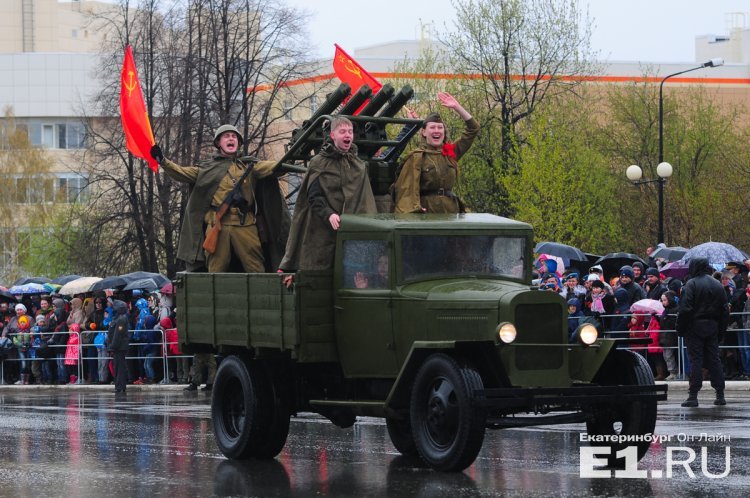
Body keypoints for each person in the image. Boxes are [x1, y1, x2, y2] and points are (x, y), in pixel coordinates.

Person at [151, 124, 290, 272]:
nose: (231, 139)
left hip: (245, 224)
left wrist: (291, 156)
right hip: (218, 224)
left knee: (256, 267)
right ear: (218, 143)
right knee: (215, 270)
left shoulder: (249, 165)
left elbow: (276, 167)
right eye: (226, 136)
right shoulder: (207, 168)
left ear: (239, 142)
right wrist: (163, 161)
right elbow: (182, 173)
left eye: (234, 136)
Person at [279, 116, 377, 273]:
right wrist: (329, 214)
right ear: (333, 135)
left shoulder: (358, 164)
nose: (347, 135)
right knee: (321, 271)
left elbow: (364, 199)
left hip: (351, 230)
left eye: (350, 132)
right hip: (322, 229)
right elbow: (313, 195)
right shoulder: (319, 162)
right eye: (343, 131)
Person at [393, 92, 479, 213]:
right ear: (424, 132)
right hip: (427, 212)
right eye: (432, 127)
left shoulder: (450, 153)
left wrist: (457, 107)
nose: (437, 130)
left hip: (451, 211)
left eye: (440, 127)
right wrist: (414, 209)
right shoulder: (417, 157)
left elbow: (473, 129)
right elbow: (405, 189)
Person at [676, 257, 730, 407]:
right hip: (712, 326)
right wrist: (721, 331)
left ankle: (693, 395)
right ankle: (720, 394)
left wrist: (680, 328)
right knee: (714, 360)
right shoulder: (717, 285)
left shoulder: (691, 284)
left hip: (694, 327)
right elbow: (725, 311)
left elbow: (685, 309)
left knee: (696, 360)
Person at [106, 300, 131, 394]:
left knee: (119, 368)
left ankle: (120, 386)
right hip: (118, 347)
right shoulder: (118, 318)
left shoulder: (121, 319)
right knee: (117, 367)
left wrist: (112, 347)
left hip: (119, 348)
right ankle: (119, 385)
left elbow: (117, 335)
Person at [658, 291, 680, 380]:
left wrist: (667, 318)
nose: (663, 302)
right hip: (666, 336)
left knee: (673, 355)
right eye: (662, 300)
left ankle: (676, 372)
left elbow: (674, 323)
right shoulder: (665, 311)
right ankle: (672, 372)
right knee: (667, 355)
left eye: (665, 300)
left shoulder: (676, 309)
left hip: (673, 335)